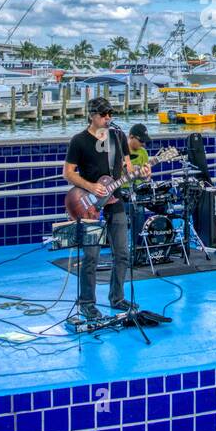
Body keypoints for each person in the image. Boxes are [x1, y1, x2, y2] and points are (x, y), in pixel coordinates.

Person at [63, 96, 148, 319]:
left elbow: (128, 169)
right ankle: (87, 302)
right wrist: (91, 186)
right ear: (92, 115)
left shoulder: (118, 136)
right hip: (88, 203)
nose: (108, 118)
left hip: (115, 200)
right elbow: (68, 173)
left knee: (122, 253)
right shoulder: (79, 141)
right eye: (103, 114)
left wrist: (141, 173)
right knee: (91, 256)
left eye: (111, 114)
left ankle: (117, 297)